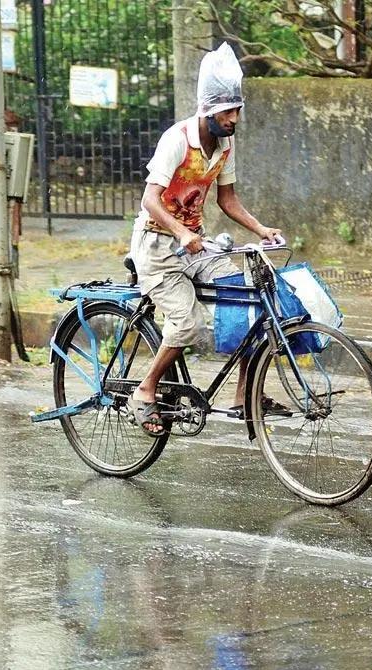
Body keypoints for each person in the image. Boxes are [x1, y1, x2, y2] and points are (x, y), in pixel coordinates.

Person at [127, 44, 283, 435]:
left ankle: (244, 394)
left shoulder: (225, 144)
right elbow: (149, 198)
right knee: (188, 322)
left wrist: (262, 230)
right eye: (227, 112)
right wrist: (180, 231)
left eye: (237, 111)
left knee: (248, 302)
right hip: (158, 246)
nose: (234, 119)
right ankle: (145, 391)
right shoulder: (177, 140)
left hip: (197, 245)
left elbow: (227, 199)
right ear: (208, 111)